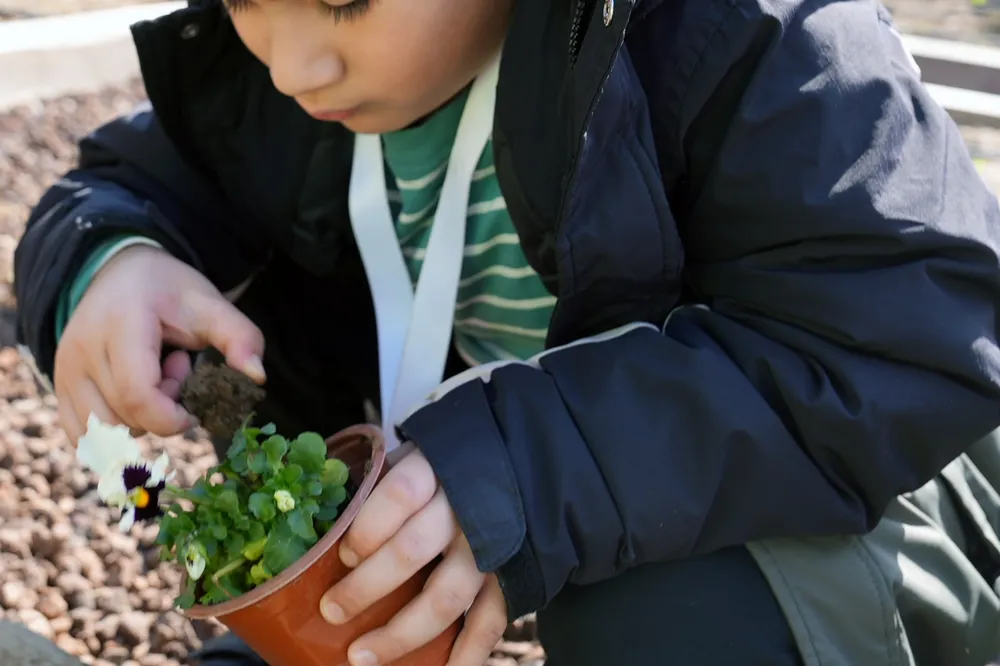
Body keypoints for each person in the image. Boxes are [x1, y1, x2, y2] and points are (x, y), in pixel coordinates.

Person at [13, 0, 1000, 664]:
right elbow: (121, 183)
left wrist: (526, 471)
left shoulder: (733, 26)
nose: (289, 65)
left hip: (853, 495)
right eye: (243, 1)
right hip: (536, 476)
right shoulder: (292, 84)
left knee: (658, 612)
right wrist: (108, 262)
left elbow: (909, 333)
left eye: (346, 0)